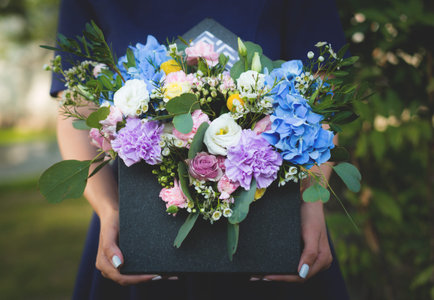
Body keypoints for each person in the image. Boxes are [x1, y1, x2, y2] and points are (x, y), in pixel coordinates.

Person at [51, 0, 351, 299]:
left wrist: (310, 202)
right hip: (137, 218)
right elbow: (78, 107)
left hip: (271, 220)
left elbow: (317, 104)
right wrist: (108, 208)